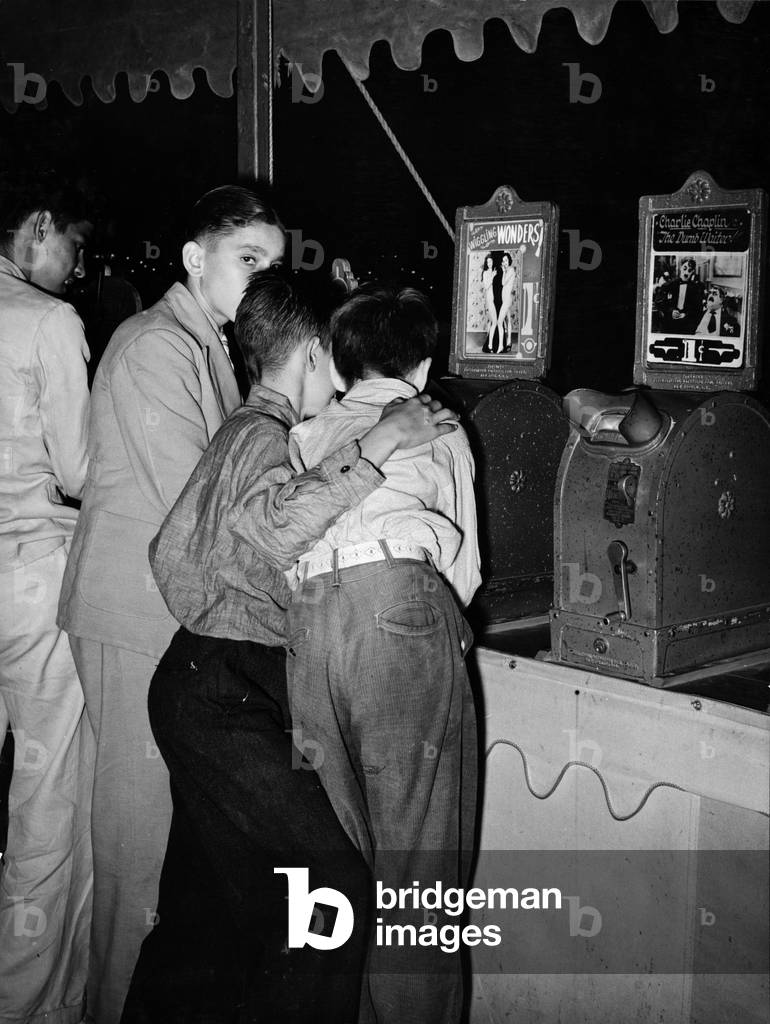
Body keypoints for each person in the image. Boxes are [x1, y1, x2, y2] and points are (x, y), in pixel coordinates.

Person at [120, 268, 459, 1023]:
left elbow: (167, 554)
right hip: (224, 690)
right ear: (312, 353)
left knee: (208, 911)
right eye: (332, 365)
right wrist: (380, 440)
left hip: (201, 679)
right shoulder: (263, 435)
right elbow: (273, 528)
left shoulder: (241, 433)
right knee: (330, 889)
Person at [57, 184, 285, 1024]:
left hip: (168, 614)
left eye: (275, 266)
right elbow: (198, 498)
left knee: (165, 850)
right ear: (196, 259)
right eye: (248, 259)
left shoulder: (212, 346)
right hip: (132, 615)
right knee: (135, 847)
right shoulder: (156, 343)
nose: (263, 279)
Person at [285, 284, 481, 1024]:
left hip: (309, 627)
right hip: (399, 610)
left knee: (341, 864)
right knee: (418, 875)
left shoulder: (309, 433)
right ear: (424, 370)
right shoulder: (438, 424)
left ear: (339, 367)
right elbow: (464, 575)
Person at [0, 173, 93, 1024]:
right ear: (36, 227)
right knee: (44, 808)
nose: (72, 266)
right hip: (28, 584)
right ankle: (31, 1009)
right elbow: (80, 472)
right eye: (71, 244)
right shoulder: (45, 321)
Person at [653, 256, 705, 335]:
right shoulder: (668, 285)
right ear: (681, 268)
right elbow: (658, 302)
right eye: (685, 268)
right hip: (669, 325)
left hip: (686, 326)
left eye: (689, 270)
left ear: (693, 272)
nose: (686, 272)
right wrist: (671, 311)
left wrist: (686, 314)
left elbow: (698, 309)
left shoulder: (696, 289)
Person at [495, 250, 517, 352]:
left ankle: (502, 345)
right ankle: (508, 342)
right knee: (507, 320)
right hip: (505, 299)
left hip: (507, 299)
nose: (505, 262)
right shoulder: (507, 270)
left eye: (506, 260)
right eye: (503, 261)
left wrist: (503, 271)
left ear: (509, 260)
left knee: (499, 321)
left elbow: (503, 283)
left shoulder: (511, 270)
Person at [480, 253, 498, 353]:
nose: (489, 263)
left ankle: (490, 344)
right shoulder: (486, 273)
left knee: (493, 322)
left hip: (496, 300)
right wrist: (492, 276)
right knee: (494, 322)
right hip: (490, 300)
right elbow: (486, 286)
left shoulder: (494, 271)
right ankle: (490, 345)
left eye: (490, 261)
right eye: (488, 262)